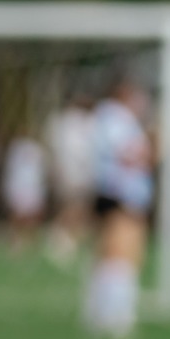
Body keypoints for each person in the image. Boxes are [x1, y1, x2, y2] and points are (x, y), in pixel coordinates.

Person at [83, 78, 154, 339]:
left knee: (112, 256)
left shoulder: (107, 117)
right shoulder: (115, 117)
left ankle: (100, 313)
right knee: (122, 256)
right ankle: (116, 317)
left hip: (114, 193)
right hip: (121, 194)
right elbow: (128, 154)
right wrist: (153, 148)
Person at [45, 93, 96, 268]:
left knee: (77, 208)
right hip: (76, 172)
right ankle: (60, 238)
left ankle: (67, 239)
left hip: (73, 171)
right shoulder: (74, 122)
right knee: (74, 207)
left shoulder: (61, 122)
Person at [1, 132, 48, 256]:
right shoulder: (16, 148)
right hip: (19, 186)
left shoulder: (37, 149)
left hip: (33, 187)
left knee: (33, 216)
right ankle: (15, 241)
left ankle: (29, 241)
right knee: (17, 215)